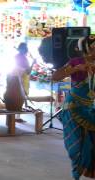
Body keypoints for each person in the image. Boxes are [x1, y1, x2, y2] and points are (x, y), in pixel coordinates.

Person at [52, 35, 95, 180]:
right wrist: (75, 68)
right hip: (74, 107)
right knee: (75, 147)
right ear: (88, 48)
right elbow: (55, 76)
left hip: (91, 108)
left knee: (91, 144)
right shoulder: (77, 62)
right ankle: (76, 174)